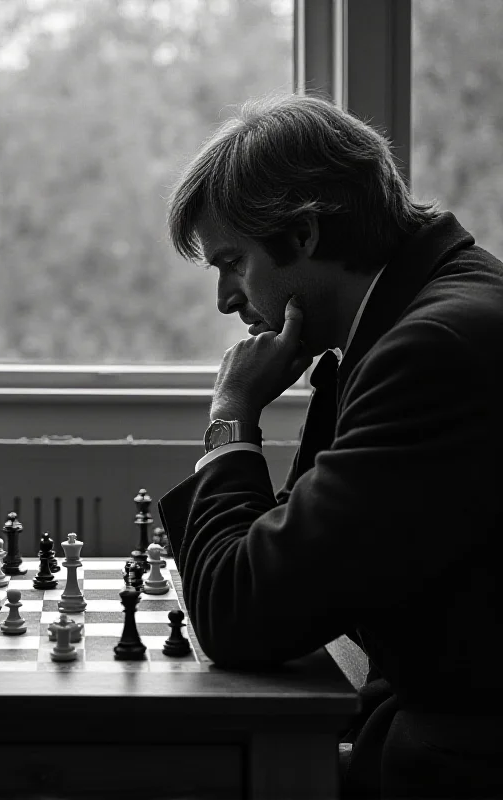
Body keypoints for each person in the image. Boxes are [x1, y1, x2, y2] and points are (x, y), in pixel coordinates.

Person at [158, 93, 503, 798]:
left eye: (233, 262)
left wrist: (232, 417)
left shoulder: (431, 352)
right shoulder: (408, 318)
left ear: (304, 234)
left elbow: (240, 611)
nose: (226, 300)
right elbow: (275, 559)